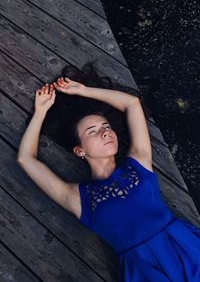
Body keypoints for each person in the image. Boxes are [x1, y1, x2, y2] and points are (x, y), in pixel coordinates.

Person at [17, 63, 200, 282]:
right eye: (92, 131)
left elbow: (132, 104)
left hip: (182, 244)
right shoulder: (77, 197)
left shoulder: (138, 162)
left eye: (105, 126)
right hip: (142, 267)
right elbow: (25, 159)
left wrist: (84, 90)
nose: (104, 133)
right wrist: (40, 112)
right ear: (80, 150)